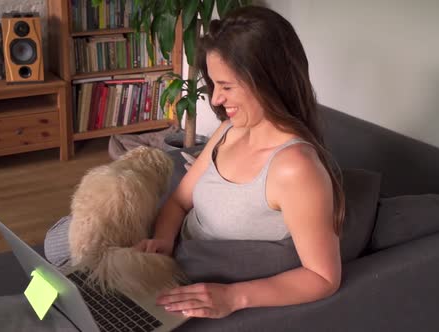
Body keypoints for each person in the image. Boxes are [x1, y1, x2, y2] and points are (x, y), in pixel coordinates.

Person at [135, 6, 345, 319]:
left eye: (227, 87)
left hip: (195, 284)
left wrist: (233, 296)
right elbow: (179, 202)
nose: (216, 99)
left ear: (268, 82)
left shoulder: (294, 168)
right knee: (58, 276)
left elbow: (323, 277)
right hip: (172, 261)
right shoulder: (230, 130)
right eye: (214, 84)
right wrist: (163, 241)